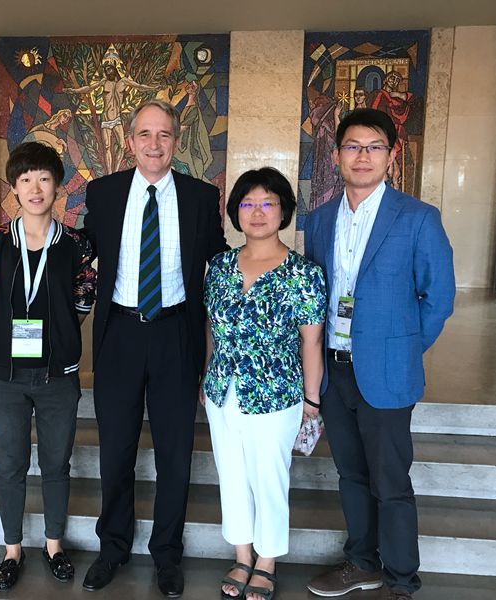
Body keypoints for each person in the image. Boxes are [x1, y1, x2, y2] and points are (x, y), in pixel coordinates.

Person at [304, 108, 455, 600]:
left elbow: (438, 298)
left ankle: (402, 581)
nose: (362, 156)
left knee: (390, 482)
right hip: (334, 370)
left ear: (391, 156)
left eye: (374, 147)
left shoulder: (417, 218)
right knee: (351, 474)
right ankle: (362, 563)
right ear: (336, 156)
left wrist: (401, 350)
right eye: (352, 146)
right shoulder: (319, 220)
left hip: (386, 374)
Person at [81, 99, 227, 597]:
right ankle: (112, 548)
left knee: (175, 452)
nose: (154, 144)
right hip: (119, 335)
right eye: (145, 134)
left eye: (164, 134)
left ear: (177, 140)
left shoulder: (201, 197)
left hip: (176, 334)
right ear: (130, 141)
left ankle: (167, 553)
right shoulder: (103, 193)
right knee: (116, 450)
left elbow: (221, 264)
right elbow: (79, 254)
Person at [0, 141, 97, 591]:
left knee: (57, 462)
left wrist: (60, 330)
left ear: (57, 186)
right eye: (26, 179)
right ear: (14, 188)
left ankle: (54, 545)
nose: (35, 188)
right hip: (6, 375)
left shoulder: (74, 244)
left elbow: (85, 294)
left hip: (57, 374)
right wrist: (7, 326)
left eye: (44, 178)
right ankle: (12, 550)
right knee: (10, 462)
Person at [202, 167, 326, 600]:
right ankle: (242, 554)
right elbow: (211, 328)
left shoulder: (302, 273)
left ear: (284, 211)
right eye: (248, 203)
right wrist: (206, 376)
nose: (257, 212)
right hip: (222, 390)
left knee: (269, 479)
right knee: (232, 475)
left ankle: (267, 560)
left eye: (268, 203)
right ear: (236, 212)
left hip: (276, 394)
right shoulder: (219, 267)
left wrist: (312, 400)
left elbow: (312, 342)